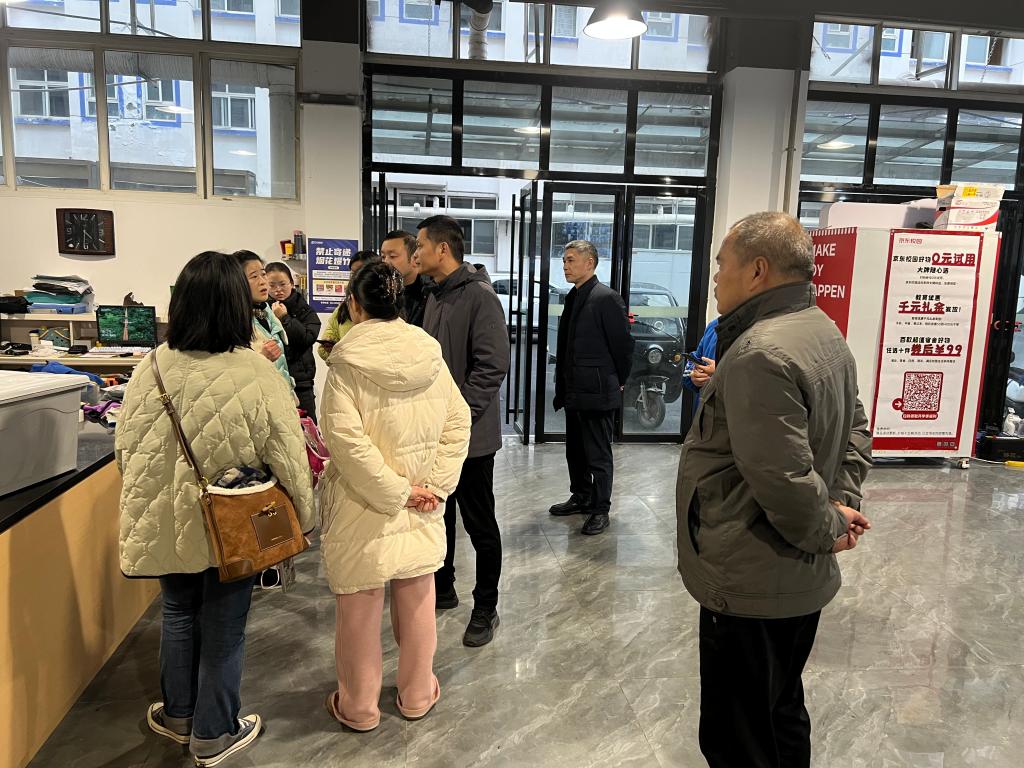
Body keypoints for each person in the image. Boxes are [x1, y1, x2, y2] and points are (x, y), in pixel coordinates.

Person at [675, 212, 872, 768]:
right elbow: (856, 428)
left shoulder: (760, 351)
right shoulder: (819, 327)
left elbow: (783, 480)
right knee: (781, 707)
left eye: (722, 264)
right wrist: (843, 502)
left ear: (757, 270)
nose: (716, 277)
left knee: (737, 737)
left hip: (751, 576)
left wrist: (830, 525)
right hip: (793, 576)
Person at [116, 251, 315, 767]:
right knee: (226, 623)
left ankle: (178, 715)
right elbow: (288, 454)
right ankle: (214, 731)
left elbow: (125, 450)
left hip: (166, 519)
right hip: (235, 519)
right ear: (235, 306)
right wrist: (305, 513)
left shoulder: (150, 367)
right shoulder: (255, 371)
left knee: (178, 614)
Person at [319, 262, 471, 731]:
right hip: (423, 500)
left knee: (359, 608)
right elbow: (458, 422)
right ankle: (417, 694)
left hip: (363, 504)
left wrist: (396, 491)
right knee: (418, 598)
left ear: (354, 305)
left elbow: (345, 443)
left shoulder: (345, 364)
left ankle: (359, 708)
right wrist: (434, 487)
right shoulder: (430, 355)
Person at [416, 215, 510, 647]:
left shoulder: (479, 296)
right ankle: (444, 587)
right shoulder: (436, 296)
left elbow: (491, 367)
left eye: (420, 245)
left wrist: (459, 419)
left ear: (442, 249)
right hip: (436, 434)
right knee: (441, 515)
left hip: (470, 437)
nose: (416, 254)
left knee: (479, 523)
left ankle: (486, 607)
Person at [548, 240, 634, 536]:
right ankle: (581, 496)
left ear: (590, 263)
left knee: (598, 454)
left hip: (597, 390)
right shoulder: (574, 296)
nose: (565, 266)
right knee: (575, 450)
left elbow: (623, 347)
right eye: (564, 260)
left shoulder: (606, 298)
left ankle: (600, 509)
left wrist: (618, 380)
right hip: (575, 389)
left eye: (571, 260)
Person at [266, 262, 322, 422]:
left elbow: (306, 339)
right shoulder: (262, 311)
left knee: (308, 429)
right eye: (272, 285)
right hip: (272, 381)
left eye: (282, 284)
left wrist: (285, 318)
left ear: (291, 283)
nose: (278, 290)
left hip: (301, 383)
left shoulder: (304, 309)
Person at [234, 250, 293, 389]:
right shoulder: (233, 319)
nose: (262, 281)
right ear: (236, 281)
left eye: (263, 274)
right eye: (254, 276)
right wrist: (262, 358)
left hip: (279, 393)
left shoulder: (267, 310)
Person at [318, 251, 378, 362]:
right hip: (343, 368)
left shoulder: (383, 309)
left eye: (360, 273)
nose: (355, 278)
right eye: (352, 273)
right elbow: (322, 349)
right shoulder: (343, 308)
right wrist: (331, 347)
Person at [381, 230, 432, 327]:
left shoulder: (430, 294)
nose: (386, 262)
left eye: (392, 256)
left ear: (414, 257)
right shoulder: (381, 291)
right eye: (383, 257)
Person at [683, 317, 719, 409]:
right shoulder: (713, 326)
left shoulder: (751, 333)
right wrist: (694, 374)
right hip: (703, 410)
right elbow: (695, 358)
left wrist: (719, 374)